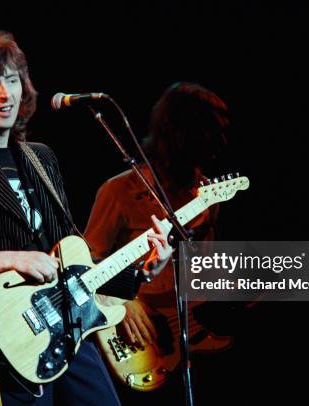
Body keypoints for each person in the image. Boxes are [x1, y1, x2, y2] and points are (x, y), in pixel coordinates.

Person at [0, 29, 172, 406]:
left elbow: (75, 258)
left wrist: (143, 269)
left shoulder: (41, 157)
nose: (5, 95)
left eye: (12, 81)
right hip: (11, 341)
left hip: (70, 330)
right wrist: (6, 260)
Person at [84, 82, 233, 403]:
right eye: (213, 131)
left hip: (194, 340)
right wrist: (124, 302)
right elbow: (86, 266)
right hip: (141, 341)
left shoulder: (208, 195)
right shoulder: (118, 192)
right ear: (183, 134)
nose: (221, 142)